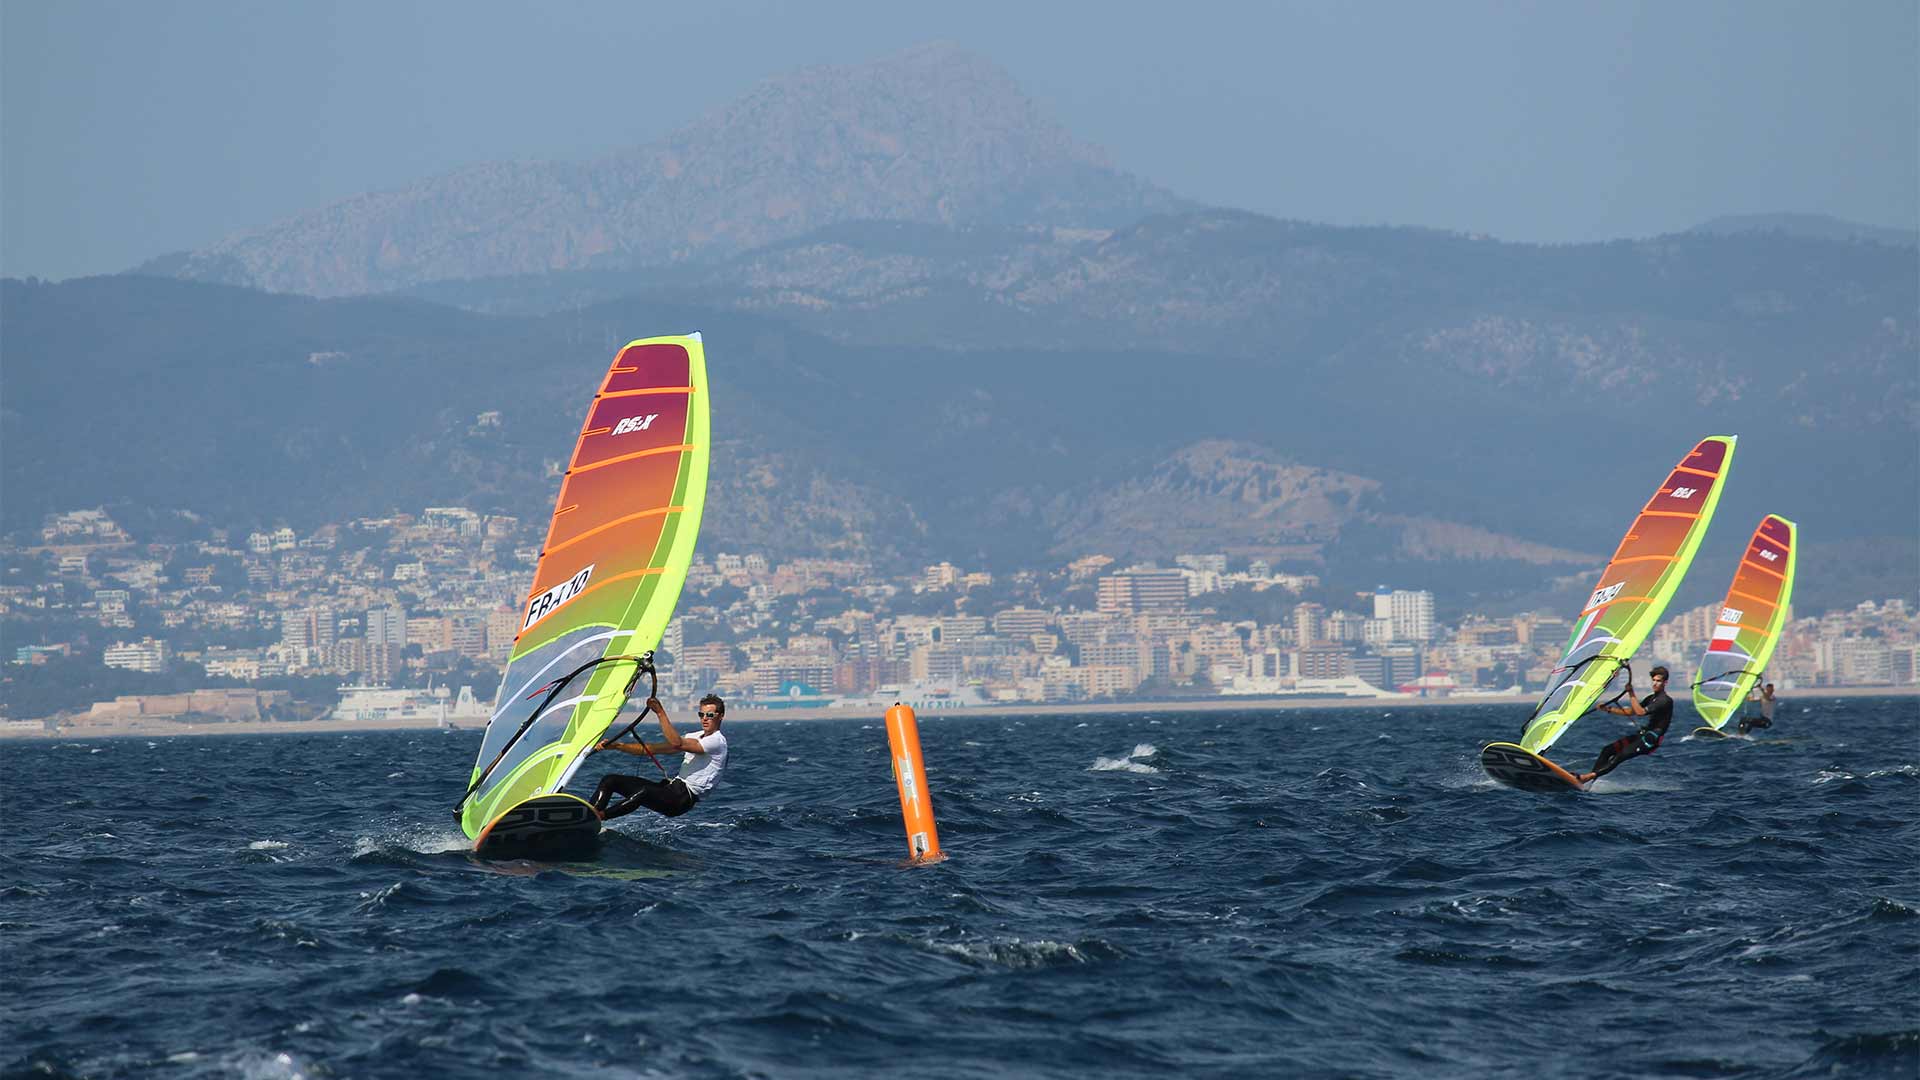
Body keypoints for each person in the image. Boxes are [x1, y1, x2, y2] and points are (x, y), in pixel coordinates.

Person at [589, 693, 728, 820]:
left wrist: (660, 713)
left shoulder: (717, 741)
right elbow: (652, 749)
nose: (704, 719)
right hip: (670, 790)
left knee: (644, 792)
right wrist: (618, 746)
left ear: (720, 716)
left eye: (709, 715)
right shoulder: (696, 736)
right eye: (701, 714)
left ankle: (599, 816)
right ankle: (589, 814)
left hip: (681, 800)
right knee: (610, 780)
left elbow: (677, 743)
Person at [1577, 666, 1673, 784]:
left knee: (1620, 755)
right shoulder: (1651, 698)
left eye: (1658, 681)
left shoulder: (1665, 700)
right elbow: (1631, 711)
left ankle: (1587, 777)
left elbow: (1640, 712)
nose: (1655, 683)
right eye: (1654, 680)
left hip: (1651, 739)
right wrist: (1608, 709)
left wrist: (1631, 693)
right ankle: (1589, 782)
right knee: (1607, 750)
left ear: (1665, 682)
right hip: (1642, 735)